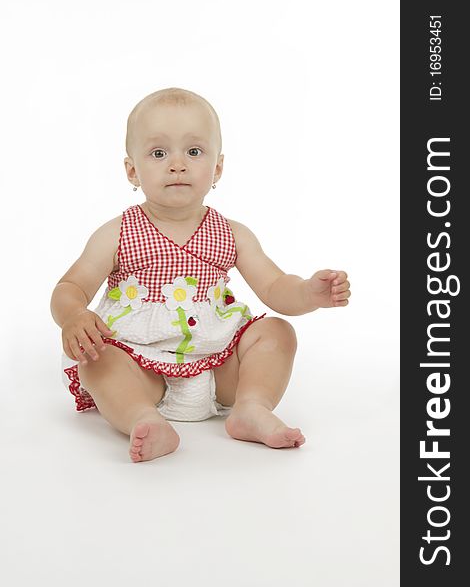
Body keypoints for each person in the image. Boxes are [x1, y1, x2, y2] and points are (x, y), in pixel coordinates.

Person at [50, 87, 351, 463]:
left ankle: (251, 407)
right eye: (159, 153)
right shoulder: (118, 232)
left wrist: (308, 293)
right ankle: (142, 418)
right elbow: (71, 286)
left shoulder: (232, 233)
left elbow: (274, 287)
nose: (177, 165)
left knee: (277, 332)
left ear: (218, 168)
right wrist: (75, 315)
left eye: (194, 152)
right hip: (141, 367)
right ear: (132, 170)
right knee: (98, 361)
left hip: (219, 365)